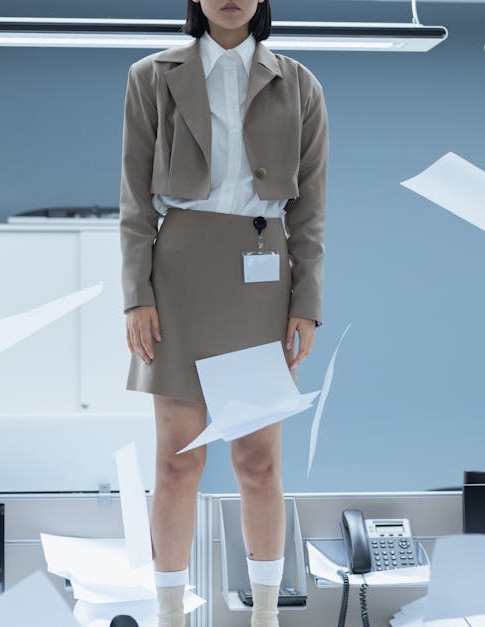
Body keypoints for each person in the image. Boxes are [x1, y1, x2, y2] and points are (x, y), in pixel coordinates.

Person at [118, 1, 329, 625]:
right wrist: (137, 294)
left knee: (258, 462)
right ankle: (171, 616)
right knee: (177, 461)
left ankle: (265, 615)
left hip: (262, 277)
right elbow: (133, 199)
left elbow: (311, 211)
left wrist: (306, 304)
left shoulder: (301, 85)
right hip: (177, 274)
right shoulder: (150, 76)